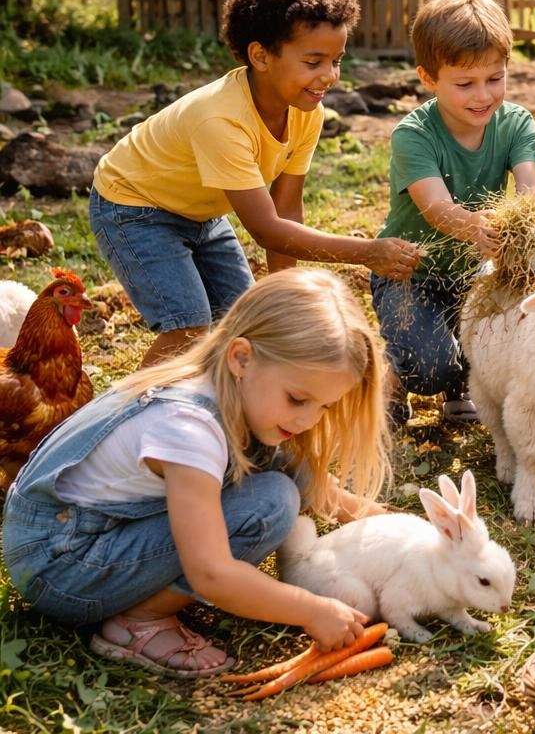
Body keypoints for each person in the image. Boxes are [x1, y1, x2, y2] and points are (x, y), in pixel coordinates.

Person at [2, 268, 391, 676]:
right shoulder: (189, 428)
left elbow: (325, 492)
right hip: (60, 566)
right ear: (241, 358)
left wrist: (406, 532)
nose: (310, 419)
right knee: (270, 505)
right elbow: (211, 574)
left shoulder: (234, 389)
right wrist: (312, 610)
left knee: (283, 465)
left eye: (324, 406)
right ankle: (140, 623)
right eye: (298, 399)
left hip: (78, 534)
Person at [90, 0, 421, 369]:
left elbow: (285, 211)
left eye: (336, 60)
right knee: (187, 328)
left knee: (249, 322)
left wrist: (284, 294)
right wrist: (367, 251)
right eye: (313, 61)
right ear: (261, 56)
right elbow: (265, 228)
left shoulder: (306, 111)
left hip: (203, 213)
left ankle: (225, 416)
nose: (330, 75)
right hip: (134, 207)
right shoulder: (221, 119)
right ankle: (126, 417)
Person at [372, 0, 535, 423]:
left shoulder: (515, 123)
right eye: (465, 83)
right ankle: (393, 372)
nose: (483, 96)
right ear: (428, 79)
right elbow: (435, 206)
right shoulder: (413, 134)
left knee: (509, 328)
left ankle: (461, 383)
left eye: (495, 79)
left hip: (475, 273)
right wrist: (474, 227)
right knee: (426, 367)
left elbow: (531, 182)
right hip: (411, 271)